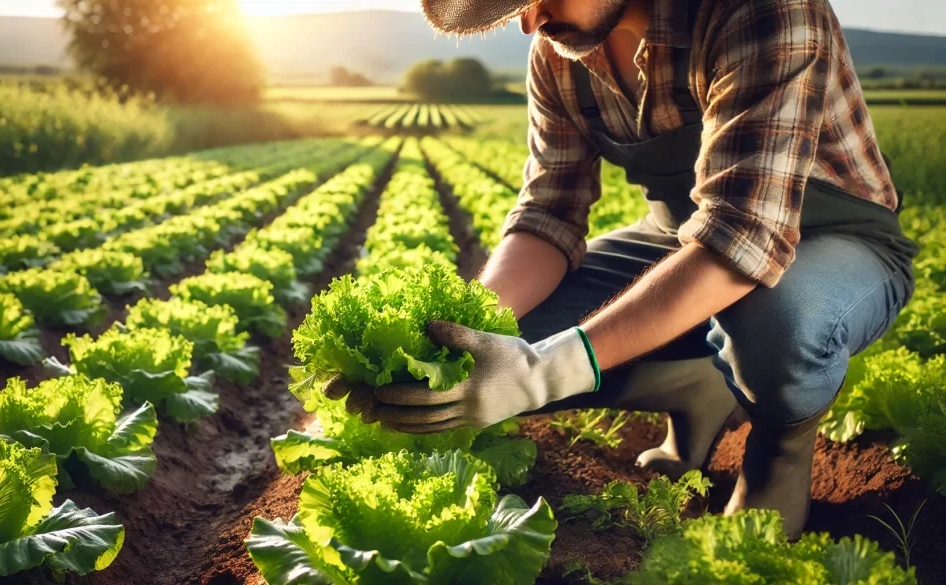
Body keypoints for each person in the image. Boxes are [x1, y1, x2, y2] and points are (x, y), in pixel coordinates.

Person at [330, 0, 919, 538]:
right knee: (503, 351)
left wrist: (543, 372)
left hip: (836, 241)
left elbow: (742, 236)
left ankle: (779, 451)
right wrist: (460, 333)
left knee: (777, 326)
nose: (530, 23)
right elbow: (547, 214)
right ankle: (698, 388)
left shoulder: (764, 13)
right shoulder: (561, 53)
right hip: (678, 237)